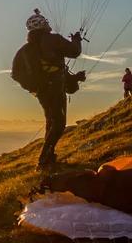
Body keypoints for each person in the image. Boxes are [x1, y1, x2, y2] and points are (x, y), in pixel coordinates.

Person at [17, 9, 84, 171]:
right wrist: (76, 39)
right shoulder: (52, 39)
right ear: (43, 25)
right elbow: (75, 52)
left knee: (51, 121)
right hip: (55, 88)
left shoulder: (25, 50)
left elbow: (16, 73)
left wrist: (35, 87)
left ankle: (49, 159)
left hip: (41, 92)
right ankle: (43, 161)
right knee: (59, 123)